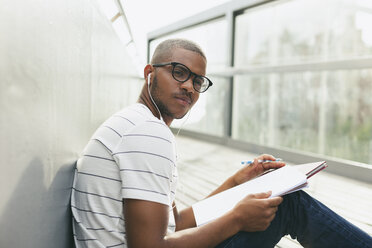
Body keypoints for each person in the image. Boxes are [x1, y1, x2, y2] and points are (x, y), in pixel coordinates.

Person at [71, 38, 372, 248]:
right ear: (150, 73)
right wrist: (237, 219)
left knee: (277, 200)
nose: (189, 85)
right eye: (179, 72)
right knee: (288, 205)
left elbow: (176, 222)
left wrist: (236, 183)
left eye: (198, 81)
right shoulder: (147, 134)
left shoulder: (135, 124)